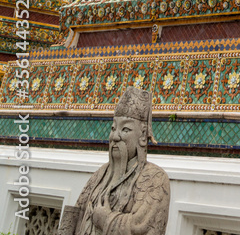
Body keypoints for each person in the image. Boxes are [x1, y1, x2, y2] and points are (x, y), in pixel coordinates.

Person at [59, 87, 170, 235]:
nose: (115, 137)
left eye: (125, 130)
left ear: (143, 135)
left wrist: (106, 220)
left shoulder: (154, 178)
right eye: (113, 128)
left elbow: (143, 227)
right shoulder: (100, 174)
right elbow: (76, 213)